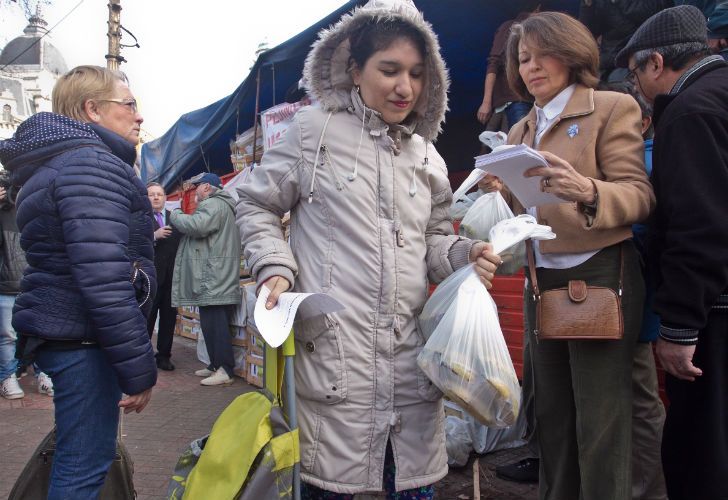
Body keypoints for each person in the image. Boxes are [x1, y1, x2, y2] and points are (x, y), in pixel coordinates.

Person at [236, 1, 501, 497]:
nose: (405, 87)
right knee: (331, 486)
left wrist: (466, 256)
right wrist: (274, 265)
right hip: (338, 361)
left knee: (411, 486)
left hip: (410, 367)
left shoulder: (428, 155)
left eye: (417, 74)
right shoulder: (313, 132)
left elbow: (435, 243)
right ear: (354, 70)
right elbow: (254, 203)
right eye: (390, 70)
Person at [491, 12, 654, 499]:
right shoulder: (519, 128)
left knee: (601, 416)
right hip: (540, 280)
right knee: (553, 415)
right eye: (523, 58)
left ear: (572, 54)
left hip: (600, 272)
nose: (532, 67)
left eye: (543, 54)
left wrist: (587, 190)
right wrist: (499, 192)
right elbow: (524, 206)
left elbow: (640, 196)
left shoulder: (610, 107)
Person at [0, 65, 156, 499]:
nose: (138, 115)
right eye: (129, 105)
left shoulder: (59, 162)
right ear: (92, 109)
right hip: (85, 341)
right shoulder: (90, 164)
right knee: (84, 467)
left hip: (73, 335)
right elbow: (104, 277)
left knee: (79, 458)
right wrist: (139, 369)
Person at [615, 6, 728, 499]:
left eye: (637, 73)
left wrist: (679, 326)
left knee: (702, 452)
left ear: (656, 63)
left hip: (714, 313)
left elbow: (700, 226)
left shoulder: (690, 111)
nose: (638, 86)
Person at [170, 172, 241, 387]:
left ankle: (225, 369)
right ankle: (215, 364)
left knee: (216, 324)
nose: (195, 192)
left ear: (207, 188)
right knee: (211, 323)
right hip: (215, 274)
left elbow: (196, 226)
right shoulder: (221, 205)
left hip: (214, 276)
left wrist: (175, 214)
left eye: (198, 187)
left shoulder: (213, 205)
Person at [0, 176, 55, 400]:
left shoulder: (42, 205)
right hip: (6, 281)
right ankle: (7, 376)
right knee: (8, 335)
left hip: (38, 281)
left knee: (41, 331)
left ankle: (45, 374)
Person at [579, 0, 673, 83]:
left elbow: (654, 14)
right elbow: (589, 32)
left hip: (641, 54)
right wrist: (588, 5)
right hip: (609, 60)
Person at [476, 3, 538, 131]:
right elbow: (494, 62)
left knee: (513, 138)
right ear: (538, 9)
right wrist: (486, 102)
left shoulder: (534, 31)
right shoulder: (511, 27)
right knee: (520, 138)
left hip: (527, 98)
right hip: (514, 98)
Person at [147, 182, 182, 371]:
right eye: (151, 194)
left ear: (165, 198)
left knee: (169, 318)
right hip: (150, 279)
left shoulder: (175, 219)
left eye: (159, 194)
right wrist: (154, 235)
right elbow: (133, 243)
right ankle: (143, 356)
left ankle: (164, 356)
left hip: (171, 278)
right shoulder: (141, 219)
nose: (156, 197)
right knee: (147, 318)